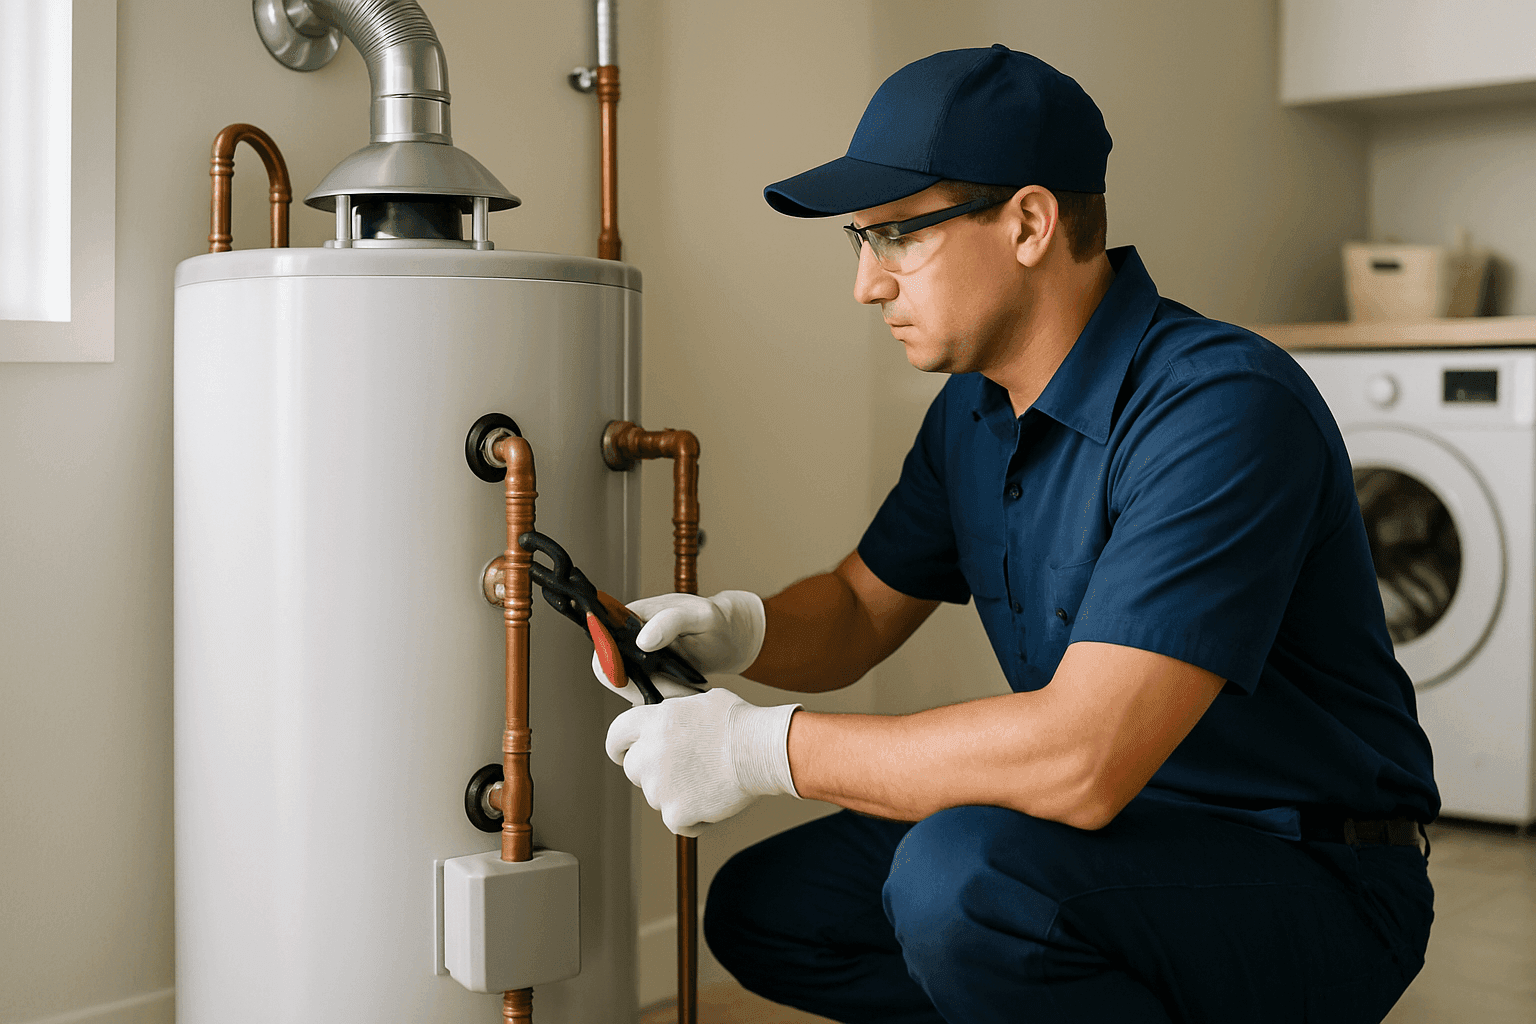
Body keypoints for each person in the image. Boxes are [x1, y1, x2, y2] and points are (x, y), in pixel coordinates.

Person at [600, 45, 1438, 1024]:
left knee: (963, 880)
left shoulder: (1219, 408)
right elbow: (861, 608)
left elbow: (1081, 758)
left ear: (1030, 224)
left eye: (897, 236)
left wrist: (757, 749)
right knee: (774, 906)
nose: (868, 284)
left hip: (1310, 870)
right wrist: (736, 630)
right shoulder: (973, 412)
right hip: (1115, 833)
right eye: (860, 241)